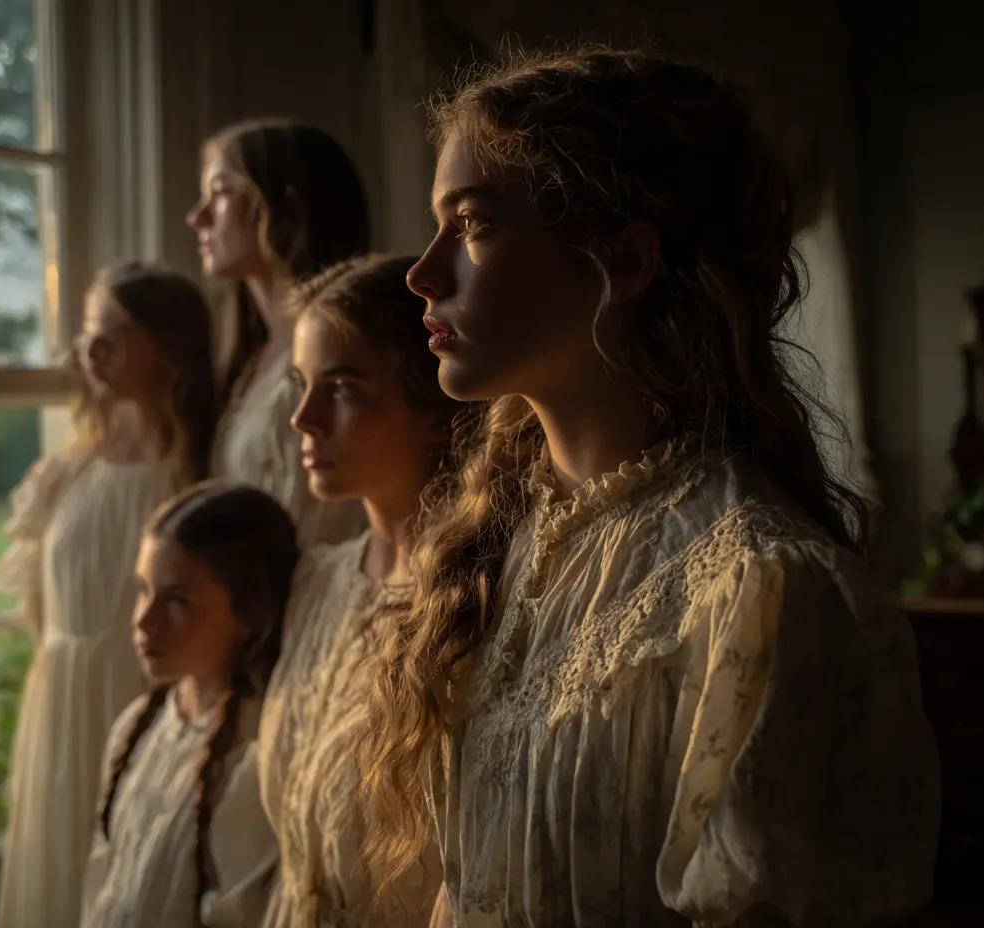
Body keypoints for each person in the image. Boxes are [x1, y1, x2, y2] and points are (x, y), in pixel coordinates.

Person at [362, 45, 942, 927]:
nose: (423, 272)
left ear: (625, 261)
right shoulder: (489, 554)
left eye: (472, 225)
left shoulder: (757, 588)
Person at [0, 262, 220, 928]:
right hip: (61, 698)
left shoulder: (193, 470)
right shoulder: (69, 468)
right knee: (59, 864)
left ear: (169, 345)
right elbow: (43, 601)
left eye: (115, 332)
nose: (92, 347)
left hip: (143, 689)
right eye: (90, 331)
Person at [257, 254, 466, 926]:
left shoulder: (471, 600)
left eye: (342, 388)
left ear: (435, 409)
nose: (303, 418)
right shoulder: (317, 581)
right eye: (300, 384)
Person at [80, 482, 299, 928]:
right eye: (143, 589)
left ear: (250, 613)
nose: (144, 620)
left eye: (176, 599)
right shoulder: (137, 727)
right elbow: (104, 889)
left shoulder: (256, 760)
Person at [187, 120, 371, 546]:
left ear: (287, 207)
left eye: (221, 192)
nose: (197, 217)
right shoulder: (249, 359)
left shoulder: (347, 351)